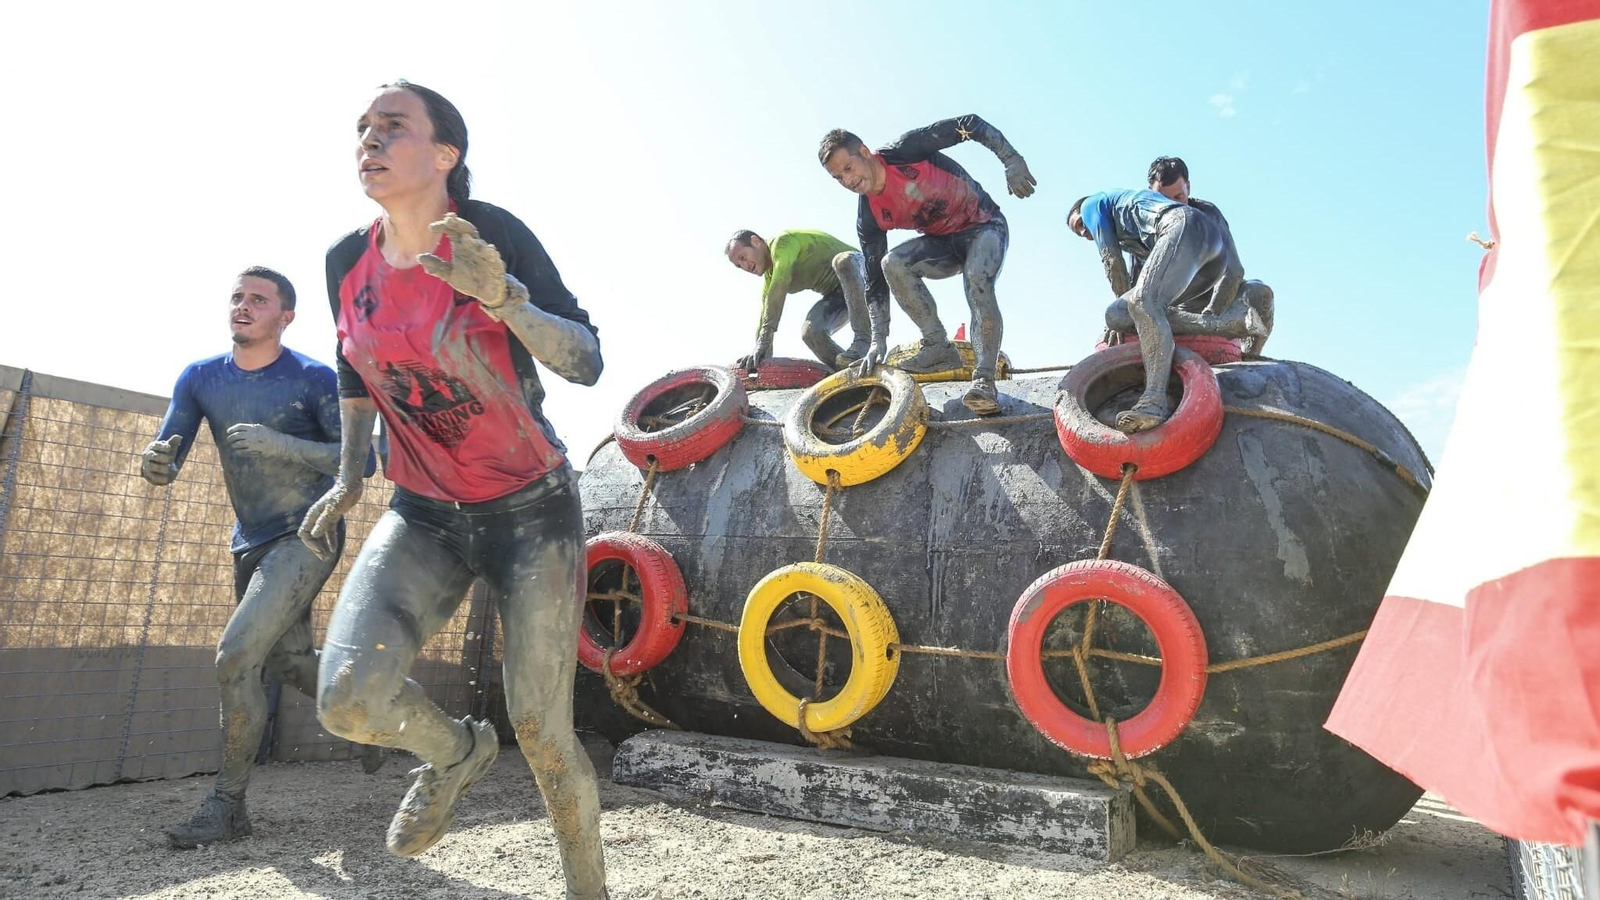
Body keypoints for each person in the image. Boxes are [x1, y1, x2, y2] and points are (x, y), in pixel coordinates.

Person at [298, 80, 609, 898]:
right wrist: (347, 473)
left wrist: (500, 296)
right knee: (345, 700)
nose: (368, 138)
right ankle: (454, 752)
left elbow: (585, 361)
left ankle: (589, 890)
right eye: (362, 127)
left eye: (391, 125)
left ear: (446, 154)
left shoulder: (493, 232)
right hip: (424, 513)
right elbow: (352, 373)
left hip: (531, 511)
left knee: (543, 731)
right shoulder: (344, 260)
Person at [140, 266, 382, 848]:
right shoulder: (200, 378)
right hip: (249, 539)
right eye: (236, 297)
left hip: (309, 533)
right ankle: (378, 716)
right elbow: (169, 449)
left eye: (258, 299)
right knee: (288, 663)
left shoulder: (314, 379)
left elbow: (363, 463)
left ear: (286, 316)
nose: (242, 307)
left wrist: (281, 444)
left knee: (236, 655)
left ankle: (227, 806)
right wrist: (157, 465)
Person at [818, 115, 1036, 415]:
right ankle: (937, 347)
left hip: (984, 226)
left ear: (865, 152)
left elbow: (969, 124)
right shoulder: (868, 215)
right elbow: (874, 280)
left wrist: (1011, 160)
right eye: (837, 178)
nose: (847, 180)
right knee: (891, 263)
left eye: (848, 168)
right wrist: (878, 340)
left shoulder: (904, 151)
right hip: (943, 246)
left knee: (976, 280)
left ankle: (984, 380)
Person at [1067, 189, 1263, 432]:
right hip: (1211, 252)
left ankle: (1153, 402)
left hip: (1182, 227)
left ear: (1081, 210)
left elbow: (1112, 261)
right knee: (1115, 315)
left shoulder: (1092, 205)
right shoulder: (1131, 225)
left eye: (1080, 226)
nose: (1085, 233)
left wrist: (1136, 309)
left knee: (1140, 305)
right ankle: (1229, 325)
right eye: (1079, 234)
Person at [1146, 156, 1275, 355]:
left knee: (1260, 292)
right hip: (1172, 311)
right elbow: (1134, 280)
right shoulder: (1143, 222)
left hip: (1212, 304)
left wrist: (1212, 314)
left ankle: (1249, 357)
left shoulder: (1208, 214)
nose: (1172, 207)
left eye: (1178, 198)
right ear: (1150, 194)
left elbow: (1233, 270)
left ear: (1188, 187)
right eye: (1163, 199)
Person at [725, 229, 870, 370]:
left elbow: (780, 282)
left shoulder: (783, 243)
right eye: (739, 266)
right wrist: (759, 358)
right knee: (811, 333)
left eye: (743, 257)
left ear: (755, 241)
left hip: (864, 273)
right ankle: (851, 372)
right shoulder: (769, 277)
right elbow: (765, 316)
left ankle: (862, 342)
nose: (745, 266)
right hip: (839, 296)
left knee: (843, 261)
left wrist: (765, 337)